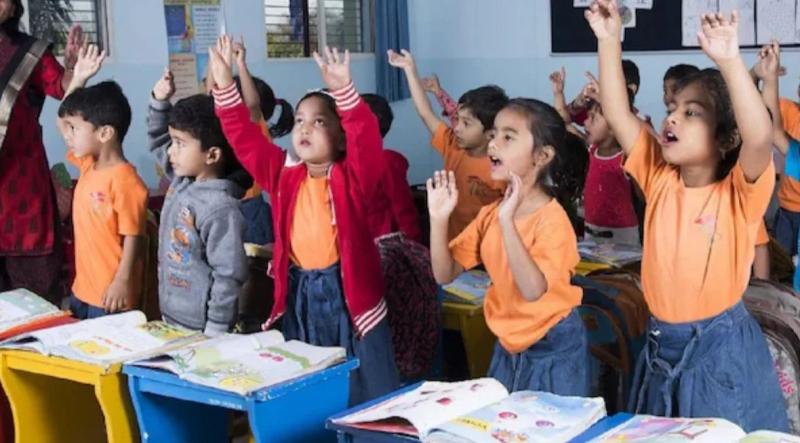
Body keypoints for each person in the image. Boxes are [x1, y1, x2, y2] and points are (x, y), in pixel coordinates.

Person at [588, 0, 788, 431]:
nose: (673, 118)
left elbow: (759, 136)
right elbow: (618, 114)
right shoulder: (659, 177)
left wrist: (730, 60)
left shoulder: (740, 193)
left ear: (726, 138)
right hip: (661, 345)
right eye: (673, 109)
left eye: (692, 112)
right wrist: (609, 40)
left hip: (719, 351)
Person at [210, 36, 399, 404]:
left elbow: (366, 144)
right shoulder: (284, 175)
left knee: (360, 384)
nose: (305, 128)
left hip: (347, 296)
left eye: (319, 122)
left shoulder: (353, 178)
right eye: (299, 120)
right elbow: (244, 139)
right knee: (308, 377)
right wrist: (224, 86)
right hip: (300, 295)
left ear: (341, 139)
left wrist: (345, 92)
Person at [429, 98, 590, 395]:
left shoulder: (552, 220)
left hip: (552, 346)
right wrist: (438, 219)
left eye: (508, 137)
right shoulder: (491, 214)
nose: (493, 144)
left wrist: (507, 222)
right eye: (494, 134)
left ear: (542, 156)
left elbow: (533, 290)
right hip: (508, 342)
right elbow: (444, 273)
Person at [0, 0, 86, 301]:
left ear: (14, 7)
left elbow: (61, 87)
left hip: (22, 192)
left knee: (34, 303)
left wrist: (73, 69)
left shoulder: (29, 53)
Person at [58, 47, 148, 319]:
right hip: (82, 290)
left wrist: (122, 281)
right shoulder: (89, 164)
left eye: (76, 129)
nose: (68, 135)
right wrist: (78, 78)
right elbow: (63, 119)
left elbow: (134, 237)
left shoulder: (126, 181)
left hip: (111, 297)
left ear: (106, 133)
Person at [390, 49, 507, 239]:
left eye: (466, 123)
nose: (457, 128)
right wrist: (410, 70)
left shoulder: (504, 167)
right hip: (452, 245)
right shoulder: (453, 146)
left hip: (488, 248)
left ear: (490, 133)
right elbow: (425, 112)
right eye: (457, 119)